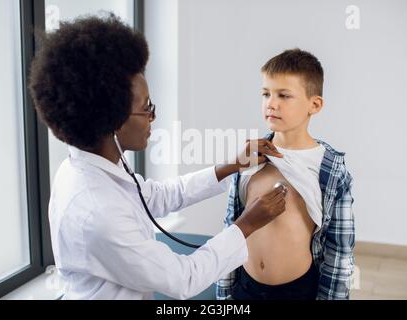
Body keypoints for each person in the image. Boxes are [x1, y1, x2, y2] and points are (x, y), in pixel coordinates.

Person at [29, 14, 287, 300]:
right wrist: (248, 223)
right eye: (146, 107)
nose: (153, 116)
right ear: (112, 121)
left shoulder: (93, 161)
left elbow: (157, 196)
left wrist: (231, 166)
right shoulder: (97, 212)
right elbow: (183, 279)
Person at [216, 49, 355, 300]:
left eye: (284, 95)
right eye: (266, 93)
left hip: (296, 292)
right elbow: (230, 226)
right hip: (245, 287)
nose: (272, 103)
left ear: (315, 104)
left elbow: (340, 252)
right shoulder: (250, 158)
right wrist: (225, 294)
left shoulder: (330, 169)